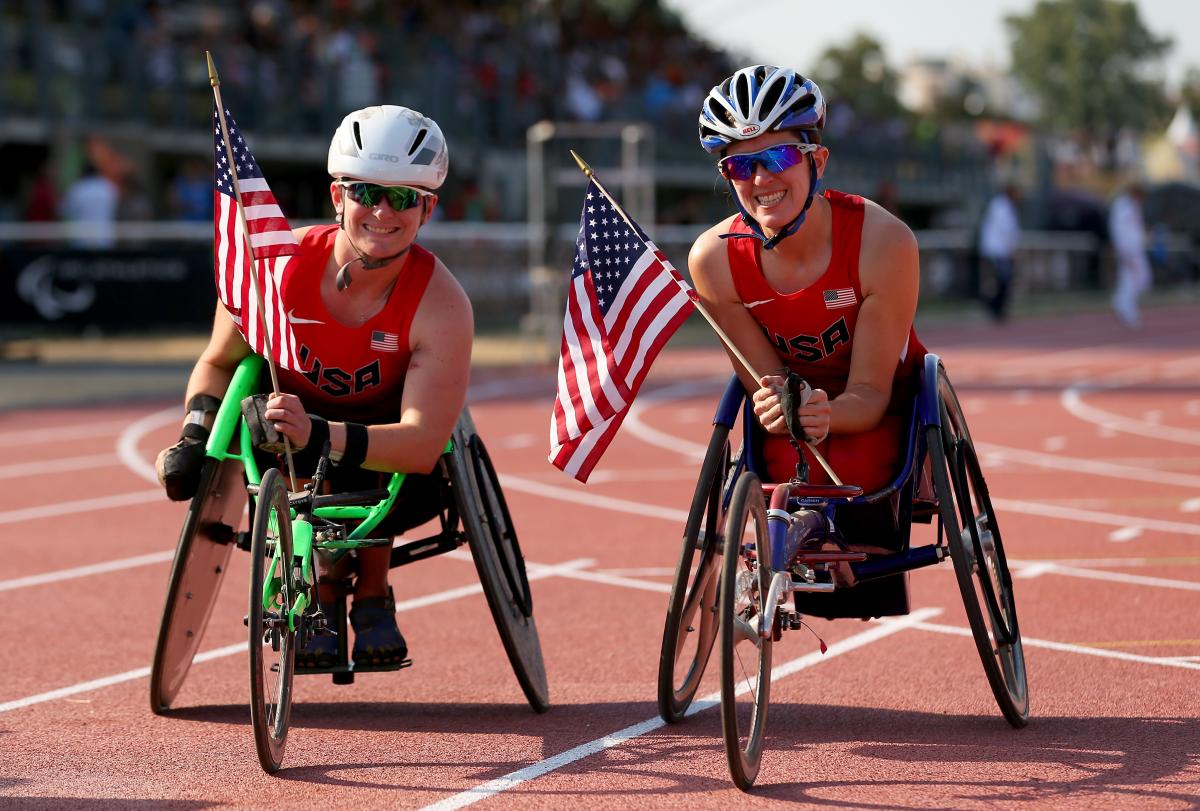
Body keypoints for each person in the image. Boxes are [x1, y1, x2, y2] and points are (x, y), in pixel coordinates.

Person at [154, 105, 473, 668]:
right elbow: (218, 362)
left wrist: (321, 433)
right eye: (366, 192)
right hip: (282, 430)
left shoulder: (442, 305)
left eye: (401, 197)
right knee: (271, 425)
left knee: (375, 453)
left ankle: (370, 592)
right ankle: (322, 583)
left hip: (388, 453)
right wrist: (191, 436)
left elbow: (423, 443)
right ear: (337, 197)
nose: (380, 211)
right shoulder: (273, 267)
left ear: (427, 206)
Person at [689, 65, 926, 498]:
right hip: (798, 426)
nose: (761, 179)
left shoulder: (884, 242)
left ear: (817, 160)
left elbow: (871, 394)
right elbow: (770, 386)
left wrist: (828, 413)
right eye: (741, 165)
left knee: (866, 469)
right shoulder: (714, 261)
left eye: (779, 157)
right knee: (780, 476)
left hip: (883, 405)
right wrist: (779, 405)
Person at [1108, 182, 1150, 328]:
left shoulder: (1134, 206)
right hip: (1128, 250)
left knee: (1142, 279)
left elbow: (1136, 228)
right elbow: (1118, 230)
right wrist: (1123, 251)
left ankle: (1120, 302)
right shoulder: (1121, 206)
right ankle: (1127, 311)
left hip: (1136, 249)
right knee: (1130, 280)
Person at [977, 183, 1021, 321]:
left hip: (999, 249)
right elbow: (1006, 230)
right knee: (1002, 279)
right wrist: (1012, 248)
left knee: (1002, 279)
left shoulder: (1004, 206)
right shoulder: (1000, 206)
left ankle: (996, 307)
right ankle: (994, 307)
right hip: (997, 250)